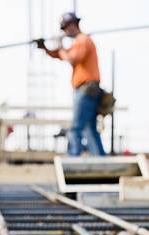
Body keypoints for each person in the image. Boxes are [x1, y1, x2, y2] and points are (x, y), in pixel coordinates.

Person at [36, 12, 105, 156]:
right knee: (89, 127)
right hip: (89, 90)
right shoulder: (80, 42)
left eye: (65, 28)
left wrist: (60, 46)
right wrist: (46, 49)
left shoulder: (82, 40)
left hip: (86, 90)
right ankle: (100, 158)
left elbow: (72, 59)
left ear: (73, 26)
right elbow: (62, 55)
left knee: (76, 127)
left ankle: (73, 156)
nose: (65, 32)